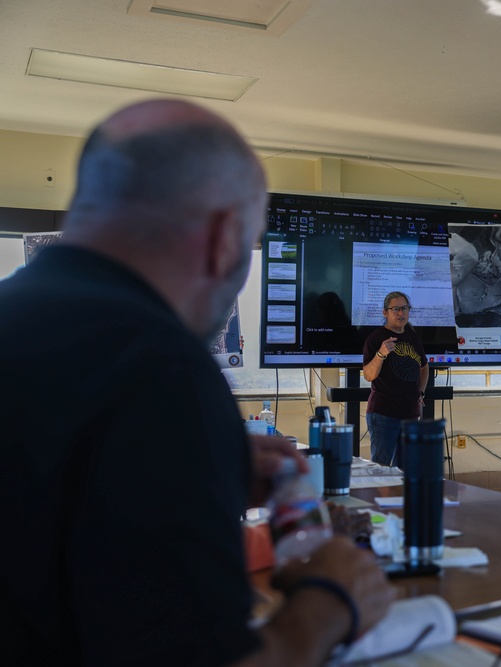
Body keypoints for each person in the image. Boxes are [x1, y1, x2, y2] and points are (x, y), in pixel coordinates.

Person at [0, 99, 394, 667]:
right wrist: (331, 602)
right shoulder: (161, 367)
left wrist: (204, 468)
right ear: (226, 236)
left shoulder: (17, 317)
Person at [362, 291, 429, 466]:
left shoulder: (412, 336)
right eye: (396, 309)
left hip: (410, 414)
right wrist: (381, 354)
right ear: (385, 313)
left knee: (405, 468)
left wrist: (420, 392)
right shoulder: (375, 339)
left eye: (405, 308)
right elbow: (369, 375)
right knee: (381, 467)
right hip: (384, 414)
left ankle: (400, 495)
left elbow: (424, 366)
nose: (401, 313)